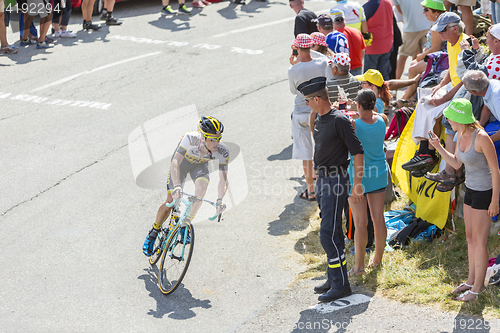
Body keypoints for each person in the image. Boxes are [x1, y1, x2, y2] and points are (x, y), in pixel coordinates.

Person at [298, 76, 364, 302]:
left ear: (317, 98)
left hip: (336, 181)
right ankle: (333, 277)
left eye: (307, 100)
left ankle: (341, 285)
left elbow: (357, 151)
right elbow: (314, 133)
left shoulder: (339, 120)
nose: (306, 104)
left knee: (328, 233)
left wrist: (357, 184)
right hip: (325, 180)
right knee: (332, 231)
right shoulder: (320, 118)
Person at [428, 98, 500, 302]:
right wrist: (438, 146)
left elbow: (495, 170)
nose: (448, 121)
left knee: (480, 241)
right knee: (470, 238)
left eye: (450, 117)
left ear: (460, 117)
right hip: (470, 189)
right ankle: (470, 281)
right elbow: (457, 164)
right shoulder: (460, 134)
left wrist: (495, 201)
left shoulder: (482, 138)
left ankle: (478, 289)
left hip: (484, 193)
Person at [142, 116, 229, 256]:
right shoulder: (190, 138)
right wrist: (177, 186)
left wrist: (220, 200)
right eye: (212, 139)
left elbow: (223, 180)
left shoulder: (222, 151)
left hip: (199, 166)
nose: (216, 143)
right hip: (180, 165)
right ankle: (153, 232)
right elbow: (175, 162)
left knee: (201, 191)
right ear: (202, 137)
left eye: (218, 138)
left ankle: (185, 224)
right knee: (171, 200)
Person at [347, 89, 388, 277]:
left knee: (360, 223)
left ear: (358, 105)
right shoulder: (383, 120)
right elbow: (379, 116)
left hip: (359, 176)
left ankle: (359, 267)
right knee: (378, 219)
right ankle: (377, 260)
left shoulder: (353, 125)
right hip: (379, 173)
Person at [288, 34, 328, 201]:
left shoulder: (293, 70)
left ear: (297, 47)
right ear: (311, 46)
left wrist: (295, 60)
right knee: (322, 149)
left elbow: (292, 91)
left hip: (300, 111)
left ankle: (311, 190)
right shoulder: (322, 63)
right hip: (319, 110)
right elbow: (324, 58)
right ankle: (322, 185)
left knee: (306, 154)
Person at [402, 0, 447, 101]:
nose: (423, 12)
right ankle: (411, 95)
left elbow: (435, 49)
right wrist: (421, 55)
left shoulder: (438, 26)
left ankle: (407, 97)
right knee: (413, 64)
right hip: (436, 56)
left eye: (426, 9)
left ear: (436, 12)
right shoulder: (438, 22)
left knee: (412, 69)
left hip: (440, 59)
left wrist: (421, 56)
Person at [393, 0, 433, 79]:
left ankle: (396, 84)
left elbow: (398, 10)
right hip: (427, 24)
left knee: (404, 55)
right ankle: (413, 83)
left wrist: (407, 18)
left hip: (410, 27)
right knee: (421, 56)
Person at [362, 0, 394, 81]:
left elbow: (362, 25)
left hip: (373, 46)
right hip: (387, 43)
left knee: (370, 78)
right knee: (384, 75)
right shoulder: (388, 2)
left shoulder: (369, 5)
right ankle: (385, 93)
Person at [331, 9, 366, 76]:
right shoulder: (356, 31)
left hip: (344, 71)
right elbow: (363, 50)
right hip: (358, 68)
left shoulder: (335, 37)